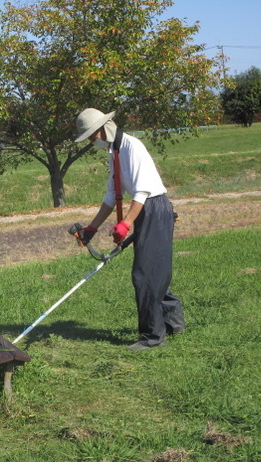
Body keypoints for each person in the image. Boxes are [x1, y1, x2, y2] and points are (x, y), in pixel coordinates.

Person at [73, 108, 184, 351]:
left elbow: (143, 191)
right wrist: (92, 227)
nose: (93, 142)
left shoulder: (132, 147)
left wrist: (126, 223)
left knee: (145, 274)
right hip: (144, 208)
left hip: (154, 207)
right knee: (154, 270)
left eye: (92, 137)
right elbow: (113, 195)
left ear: (103, 129)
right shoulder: (115, 151)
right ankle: (174, 323)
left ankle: (153, 336)